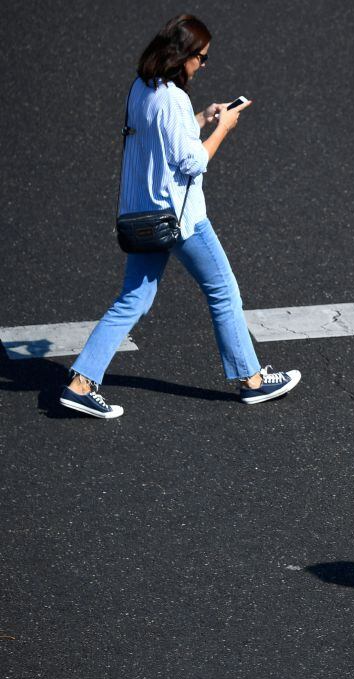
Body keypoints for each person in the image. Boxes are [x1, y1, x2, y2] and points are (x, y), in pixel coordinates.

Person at [59, 14, 300, 419]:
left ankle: (81, 382)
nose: (202, 66)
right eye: (201, 58)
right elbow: (191, 161)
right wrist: (223, 128)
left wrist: (202, 118)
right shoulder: (173, 98)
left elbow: (161, 139)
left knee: (133, 299)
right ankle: (251, 381)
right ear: (182, 55)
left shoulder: (142, 89)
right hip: (179, 218)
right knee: (223, 290)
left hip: (142, 215)